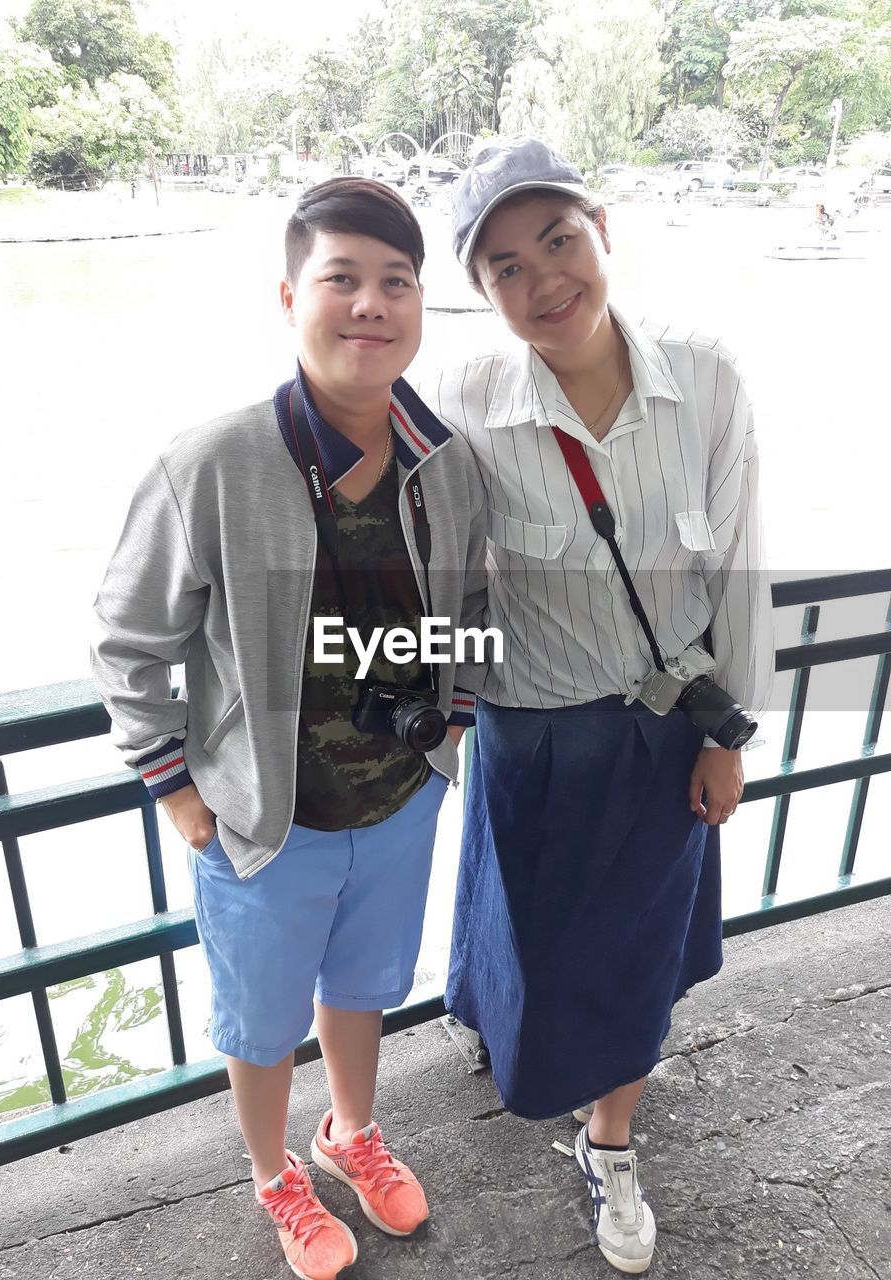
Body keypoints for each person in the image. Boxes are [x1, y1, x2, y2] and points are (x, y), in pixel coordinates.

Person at [91, 177, 488, 1280]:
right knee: (260, 1022)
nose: (371, 304)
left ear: (419, 305)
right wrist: (179, 792)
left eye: (396, 283)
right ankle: (276, 1174)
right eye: (342, 279)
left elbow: (470, 612)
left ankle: (350, 1131)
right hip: (263, 819)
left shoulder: (446, 462)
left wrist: (446, 732)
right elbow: (127, 639)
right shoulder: (212, 463)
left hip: (400, 799)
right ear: (289, 296)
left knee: (363, 987)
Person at [427, 138, 774, 1275]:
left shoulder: (707, 375)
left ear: (604, 229)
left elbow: (739, 565)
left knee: (631, 955)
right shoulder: (467, 395)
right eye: (506, 266)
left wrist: (731, 733)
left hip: (663, 725)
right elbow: (419, 552)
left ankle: (609, 1140)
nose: (545, 282)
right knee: (511, 923)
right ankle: (493, 1023)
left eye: (559, 241)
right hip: (525, 731)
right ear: (480, 294)